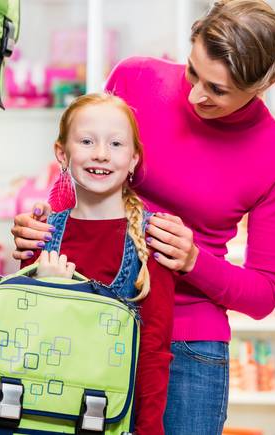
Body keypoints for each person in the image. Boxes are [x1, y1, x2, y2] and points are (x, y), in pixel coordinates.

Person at [11, 1, 275, 433]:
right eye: (192, 71)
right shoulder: (137, 77)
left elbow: (263, 293)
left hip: (188, 345)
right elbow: (72, 180)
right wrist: (41, 229)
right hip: (88, 317)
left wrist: (193, 261)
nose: (195, 95)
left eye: (218, 90)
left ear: (267, 84)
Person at [21, 93, 175, 434]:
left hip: (116, 419)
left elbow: (154, 349)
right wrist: (43, 288)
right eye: (87, 141)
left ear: (134, 159)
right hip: (44, 415)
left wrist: (149, 429)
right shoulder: (43, 236)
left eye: (116, 143)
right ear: (63, 153)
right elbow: (22, 339)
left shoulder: (151, 240)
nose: (101, 153)